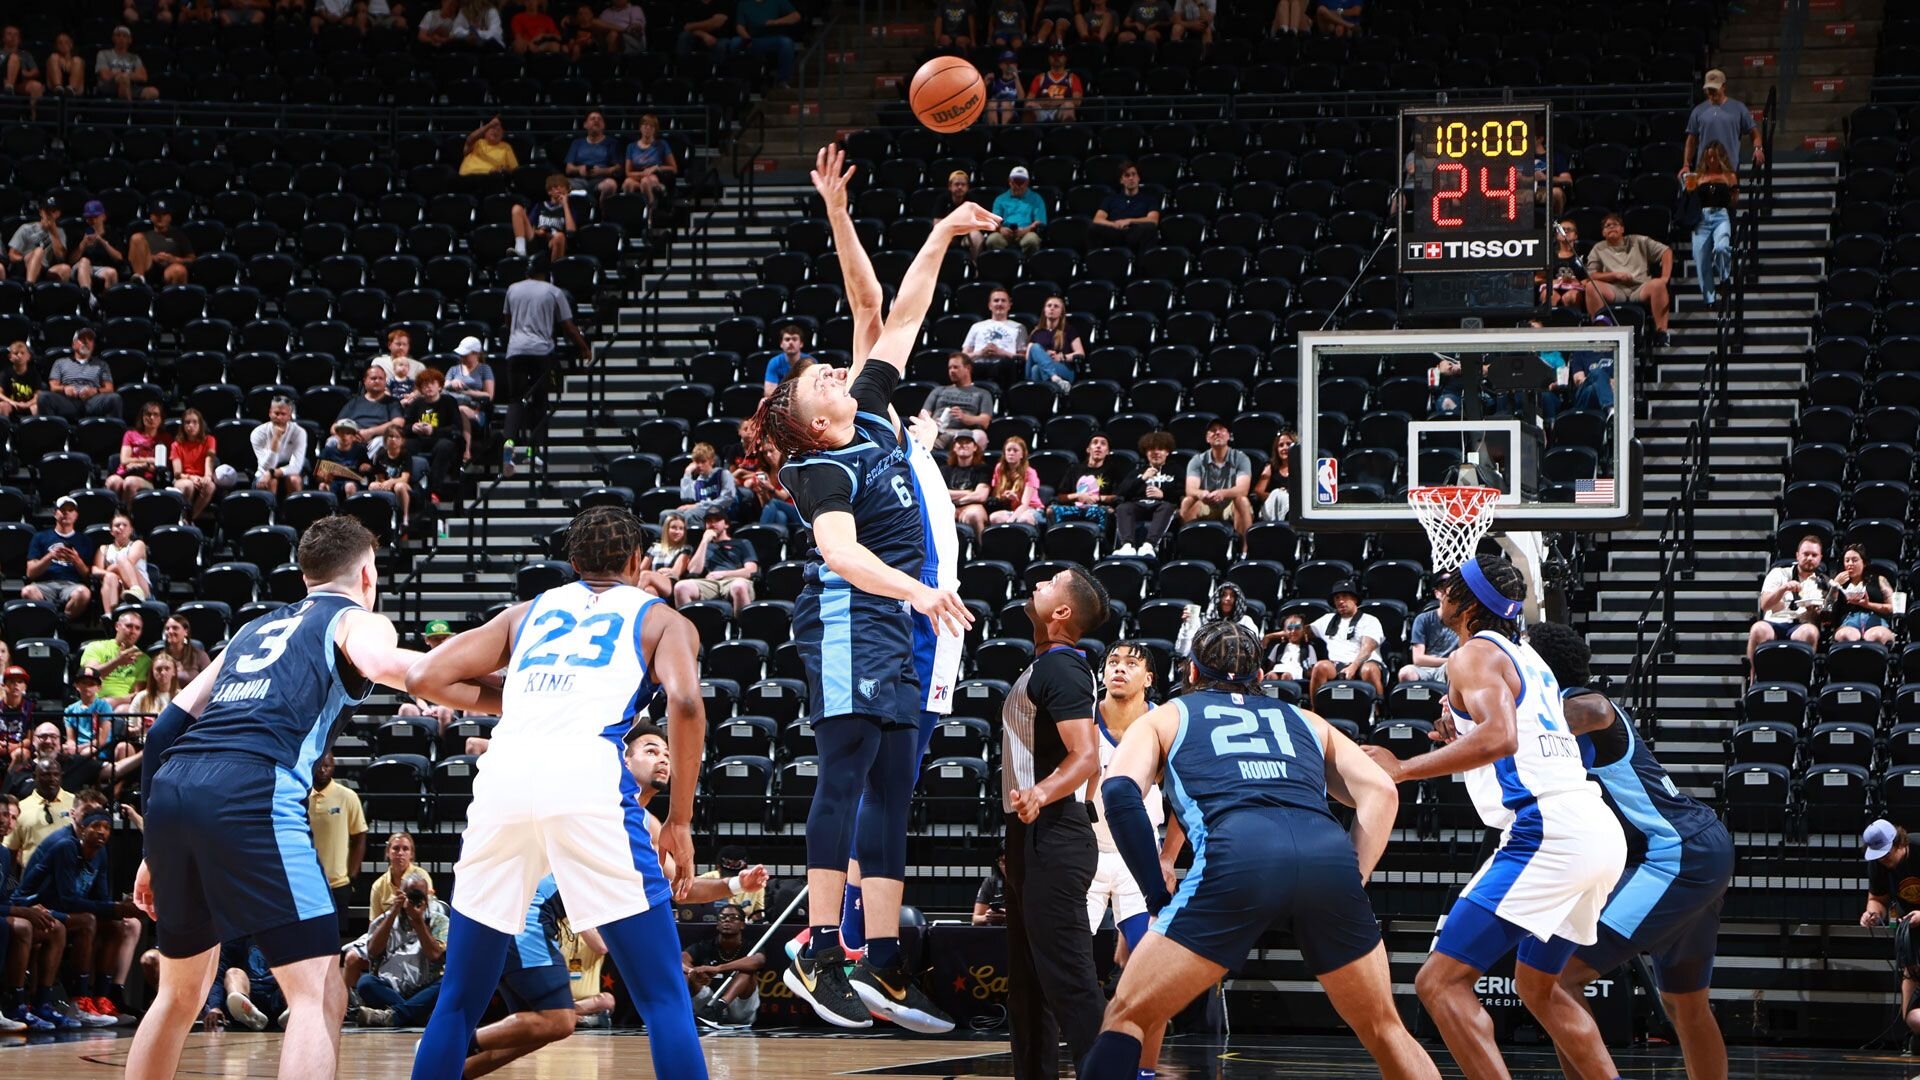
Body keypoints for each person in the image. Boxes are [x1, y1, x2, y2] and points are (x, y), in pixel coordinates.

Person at [126, 516, 476, 1080]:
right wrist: (503, 688)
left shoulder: (251, 629)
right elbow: (394, 668)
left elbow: (162, 731)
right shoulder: (356, 619)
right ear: (367, 573)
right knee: (317, 992)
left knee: (178, 996)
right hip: (250, 787)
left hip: (173, 788)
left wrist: (151, 851)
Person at [753, 189, 986, 1032]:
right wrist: (921, 588)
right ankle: (820, 950)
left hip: (894, 623)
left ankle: (879, 961)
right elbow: (842, 554)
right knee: (845, 773)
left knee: (892, 782)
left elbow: (902, 313)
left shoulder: (877, 421)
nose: (835, 367)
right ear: (817, 421)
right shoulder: (821, 470)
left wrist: (941, 230)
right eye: (821, 378)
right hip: (852, 616)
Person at [404, 505, 709, 1080]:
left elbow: (425, 678)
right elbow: (687, 704)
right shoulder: (663, 620)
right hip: (586, 775)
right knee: (664, 998)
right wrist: (682, 820)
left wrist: (518, 698)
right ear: (639, 563)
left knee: (459, 1001)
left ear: (571, 563)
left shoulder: (525, 613)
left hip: (504, 778)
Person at [1080, 622, 1436, 1080]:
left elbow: (1121, 795)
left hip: (1239, 853)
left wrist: (1154, 893)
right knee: (1385, 1027)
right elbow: (1383, 792)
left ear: (1191, 671)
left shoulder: (1166, 715)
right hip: (1325, 854)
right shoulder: (1307, 719)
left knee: (1127, 1014)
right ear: (1262, 675)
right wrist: (1355, 876)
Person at [1357, 556, 1627, 1080]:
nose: (1440, 597)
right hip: (1593, 827)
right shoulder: (1526, 656)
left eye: (1448, 590)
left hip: (1548, 830)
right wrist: (1463, 738)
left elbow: (1502, 736)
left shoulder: (1471, 655)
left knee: (1438, 983)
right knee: (1538, 986)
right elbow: (1518, 738)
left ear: (1467, 603)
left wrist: (1403, 769)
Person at [1525, 622, 1734, 1080]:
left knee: (1555, 979)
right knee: (1684, 1004)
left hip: (1673, 852)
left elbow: (1597, 709)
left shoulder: (1578, 706)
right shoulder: (1544, 722)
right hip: (1695, 850)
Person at [1001, 567, 1109, 1078]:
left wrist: (1040, 793)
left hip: (1056, 830)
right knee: (1026, 984)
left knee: (1069, 980)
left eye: (1050, 583)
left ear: (1062, 613)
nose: (1037, 582)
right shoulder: (1043, 665)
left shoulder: (1063, 668)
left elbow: (1085, 756)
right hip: (1029, 836)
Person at [1085, 641, 1183, 1074]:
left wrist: (1166, 859)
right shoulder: (1081, 717)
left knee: (1152, 972)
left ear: (1149, 679)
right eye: (1112, 662)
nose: (1119, 669)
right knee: (1057, 967)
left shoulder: (1164, 724)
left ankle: (1144, 1071)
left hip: (1135, 863)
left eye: (1131, 663)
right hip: (1082, 857)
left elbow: (1183, 803)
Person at [11, 807, 144, 1025]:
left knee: (117, 925)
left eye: (107, 827)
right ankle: (78, 1001)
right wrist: (114, 908)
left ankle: (101, 998)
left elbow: (101, 897)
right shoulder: (66, 848)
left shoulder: (100, 854)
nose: (102, 832)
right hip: (37, 905)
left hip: (66, 910)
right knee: (88, 921)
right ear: (82, 829)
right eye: (95, 826)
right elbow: (67, 900)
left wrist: (120, 908)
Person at [500, 254, 591, 454]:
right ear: (546, 272)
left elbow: (507, 322)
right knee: (540, 401)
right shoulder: (553, 292)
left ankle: (508, 445)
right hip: (541, 351)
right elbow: (568, 326)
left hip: (515, 350)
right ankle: (536, 451)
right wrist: (584, 347)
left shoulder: (512, 289)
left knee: (516, 400)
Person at [3, 791, 75, 1032]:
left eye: (14, 818)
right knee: (22, 926)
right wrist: (20, 910)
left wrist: (28, 905)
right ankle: (13, 1003)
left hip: (5, 912)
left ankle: (42, 1003)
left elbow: (11, 894)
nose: (8, 823)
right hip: (4, 917)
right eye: (4, 815)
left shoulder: (4, 855)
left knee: (55, 927)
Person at [348, 868, 448, 1027]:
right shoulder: (386, 919)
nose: (415, 900)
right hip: (391, 988)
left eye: (419, 895)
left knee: (447, 982)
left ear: (428, 897)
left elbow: (435, 955)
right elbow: (373, 951)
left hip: (424, 987)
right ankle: (416, 1013)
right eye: (410, 895)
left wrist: (418, 922)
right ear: (400, 895)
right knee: (365, 983)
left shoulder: (439, 921)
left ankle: (394, 1016)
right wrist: (393, 912)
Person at [1862, 819, 1920, 1045]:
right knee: (1912, 1016)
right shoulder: (1878, 862)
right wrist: (1872, 913)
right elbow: (1877, 898)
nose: (1884, 861)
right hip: (1911, 929)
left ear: (1899, 843)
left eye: (1886, 854)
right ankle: (1912, 1031)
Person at [1584, 213, 1673, 347]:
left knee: (1658, 284)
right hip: (1614, 289)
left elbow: (1666, 252)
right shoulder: (1598, 248)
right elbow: (1592, 274)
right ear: (1603, 232)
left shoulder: (1638, 241)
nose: (1611, 227)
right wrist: (1614, 276)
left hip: (1640, 287)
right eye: (1607, 226)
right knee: (1591, 287)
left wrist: (1665, 277)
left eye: (1615, 224)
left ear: (1622, 229)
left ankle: (1662, 333)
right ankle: (1600, 333)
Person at [1745, 534, 1826, 672]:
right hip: (1774, 622)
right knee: (1757, 629)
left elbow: (1823, 619)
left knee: (1811, 632)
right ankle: (1752, 677)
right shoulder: (1778, 573)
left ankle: (1804, 677)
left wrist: (1816, 614)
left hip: (1800, 625)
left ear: (1820, 558)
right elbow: (1765, 605)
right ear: (1797, 555)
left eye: (1814, 555)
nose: (1809, 558)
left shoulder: (1823, 582)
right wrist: (1783, 588)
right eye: (1806, 554)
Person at [307, 752, 367, 930]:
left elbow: (359, 837)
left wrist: (352, 876)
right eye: (320, 766)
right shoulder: (299, 798)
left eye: (328, 766)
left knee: (335, 939)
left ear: (333, 767)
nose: (323, 770)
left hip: (337, 884)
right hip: (306, 882)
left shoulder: (347, 796)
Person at [686, 903, 767, 1028]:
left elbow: (759, 961)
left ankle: (719, 1006)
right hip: (707, 1003)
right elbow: (681, 959)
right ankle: (673, 1013)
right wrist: (693, 972)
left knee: (746, 972)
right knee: (686, 973)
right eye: (723, 917)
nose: (727, 920)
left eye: (733, 917)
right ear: (717, 924)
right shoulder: (705, 945)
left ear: (742, 924)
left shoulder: (750, 946)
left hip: (738, 1008)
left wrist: (718, 968)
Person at [24, 495, 99, 619]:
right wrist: (50, 557)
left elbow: (87, 576)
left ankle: (64, 619)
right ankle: (50, 617)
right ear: (55, 513)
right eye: (62, 510)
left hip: (72, 584)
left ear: (76, 515)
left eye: (70, 510)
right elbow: (30, 573)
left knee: (84, 593)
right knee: (27, 591)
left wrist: (76, 560)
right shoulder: (40, 537)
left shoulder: (85, 540)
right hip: (44, 583)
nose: (66, 513)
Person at [1309, 582, 1386, 701]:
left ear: (1354, 599)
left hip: (1365, 663)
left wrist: (1353, 667)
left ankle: (1379, 710)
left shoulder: (1369, 620)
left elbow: (1367, 649)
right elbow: (1299, 632)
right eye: (1337, 598)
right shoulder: (1327, 619)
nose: (1340, 601)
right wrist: (1271, 636)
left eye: (1345, 596)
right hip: (1336, 664)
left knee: (1369, 670)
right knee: (1320, 666)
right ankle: (1315, 711)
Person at [672, 510, 758, 614]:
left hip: (735, 580)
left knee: (738, 586)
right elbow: (694, 571)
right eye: (709, 521)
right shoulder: (703, 546)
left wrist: (723, 574)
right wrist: (704, 541)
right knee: (680, 587)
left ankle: (741, 628)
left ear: (726, 524)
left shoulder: (742, 543)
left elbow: (751, 570)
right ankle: (689, 628)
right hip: (711, 583)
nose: (712, 524)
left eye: (717, 520)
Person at [1179, 419, 1252, 539]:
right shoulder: (1197, 460)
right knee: (1187, 501)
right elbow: (1190, 489)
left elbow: (1242, 489)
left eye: (1221, 430)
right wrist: (1201, 493)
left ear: (1229, 436)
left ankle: (1245, 551)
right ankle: (1189, 546)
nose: (1217, 433)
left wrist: (1223, 493)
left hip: (1230, 504)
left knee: (1242, 500)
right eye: (1212, 431)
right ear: (1207, 438)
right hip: (1206, 504)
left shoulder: (1241, 458)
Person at [1684, 68, 1764, 175]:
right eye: (1709, 89)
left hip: (1729, 169)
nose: (1711, 92)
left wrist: (1758, 148)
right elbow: (1691, 140)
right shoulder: (1698, 111)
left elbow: (1754, 132)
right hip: (1704, 169)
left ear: (1723, 87)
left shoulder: (1738, 108)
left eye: (1714, 88)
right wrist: (1686, 164)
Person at [405, 368, 468, 500]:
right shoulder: (416, 404)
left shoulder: (449, 401)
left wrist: (433, 430)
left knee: (445, 446)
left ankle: (433, 490)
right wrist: (413, 428)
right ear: (420, 389)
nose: (428, 387)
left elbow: (456, 428)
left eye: (432, 383)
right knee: (406, 445)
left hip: (441, 439)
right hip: (420, 440)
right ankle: (407, 485)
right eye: (424, 384)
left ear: (440, 386)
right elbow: (404, 427)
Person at [1114, 431, 1178, 557]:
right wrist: (1142, 478)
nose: (1156, 452)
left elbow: (1182, 492)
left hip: (1162, 505)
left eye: (1160, 449)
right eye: (1151, 449)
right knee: (1123, 507)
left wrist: (1163, 494)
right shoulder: (1138, 471)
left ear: (1167, 452)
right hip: (1139, 505)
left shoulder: (1175, 470)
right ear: (1146, 453)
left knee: (1167, 507)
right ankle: (1127, 545)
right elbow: (1121, 492)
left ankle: (1149, 545)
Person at [42, 327, 125, 421]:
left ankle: (112, 433)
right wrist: (64, 389)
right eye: (82, 339)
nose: (86, 342)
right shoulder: (60, 362)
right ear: (73, 344)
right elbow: (53, 387)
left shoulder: (101, 365)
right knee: (44, 397)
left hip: (92, 401)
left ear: (93, 345)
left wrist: (95, 391)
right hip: (68, 401)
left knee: (115, 398)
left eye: (90, 340)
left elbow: (109, 388)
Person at [918, 351, 994, 450]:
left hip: (964, 435)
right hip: (938, 433)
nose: (952, 371)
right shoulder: (939, 390)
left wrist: (965, 418)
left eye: (956, 367)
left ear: (968, 368)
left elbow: (985, 421)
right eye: (950, 368)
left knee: (981, 436)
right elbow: (923, 415)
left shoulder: (982, 393)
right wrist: (932, 423)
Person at [207, 936, 285, 1031]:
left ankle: (294, 1011)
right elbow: (218, 976)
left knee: (297, 972)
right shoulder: (234, 938)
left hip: (279, 998)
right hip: (247, 1000)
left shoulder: (286, 936)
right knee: (233, 972)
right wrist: (215, 1006)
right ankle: (248, 1013)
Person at [1050, 434, 1123, 533]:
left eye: (1103, 444)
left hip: (1098, 509)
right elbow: (1060, 497)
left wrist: (1098, 498)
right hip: (1075, 509)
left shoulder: (1112, 471)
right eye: (1095, 442)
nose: (1098, 446)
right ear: (1088, 449)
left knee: (1108, 512)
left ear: (1107, 452)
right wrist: (1078, 496)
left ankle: (1102, 544)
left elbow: (1117, 497)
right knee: (1051, 510)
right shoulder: (1074, 470)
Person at [1829, 542, 1896, 646]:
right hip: (1849, 621)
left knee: (1876, 635)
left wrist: (1868, 605)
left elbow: (1892, 607)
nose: (1850, 564)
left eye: (1855, 560)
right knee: (1846, 635)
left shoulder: (1879, 580)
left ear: (1864, 563)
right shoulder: (1838, 583)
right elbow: (1828, 607)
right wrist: (1835, 585)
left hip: (1876, 620)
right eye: (1847, 561)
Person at [963, 287, 1029, 386]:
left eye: (1003, 301)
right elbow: (963, 356)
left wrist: (1001, 352)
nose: (999, 304)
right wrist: (980, 352)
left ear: (1009, 305)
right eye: (996, 301)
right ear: (990, 305)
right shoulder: (976, 326)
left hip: (1005, 367)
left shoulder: (1018, 327)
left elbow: (1023, 357)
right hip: (977, 366)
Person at [107, 401, 166, 509]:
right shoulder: (130, 434)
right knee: (113, 481)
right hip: (125, 472)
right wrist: (148, 460)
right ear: (142, 417)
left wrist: (138, 464)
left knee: (130, 482)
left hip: (148, 479)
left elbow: (159, 466)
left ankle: (126, 516)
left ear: (161, 418)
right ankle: (111, 516)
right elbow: (124, 460)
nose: (151, 417)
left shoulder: (165, 439)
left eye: (155, 414)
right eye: (148, 414)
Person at [1090, 162, 1162, 251]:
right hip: (1115, 232)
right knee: (1093, 228)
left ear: (1138, 178)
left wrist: (1129, 221)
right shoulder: (1111, 199)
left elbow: (1153, 220)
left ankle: (1143, 263)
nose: (1131, 178)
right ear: (1121, 180)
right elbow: (1097, 219)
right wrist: (1113, 224)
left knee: (1150, 229)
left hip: (1135, 232)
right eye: (1127, 175)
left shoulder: (1149, 199)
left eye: (1134, 174)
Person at [1398, 584, 1457, 684]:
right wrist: (1448, 661)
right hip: (1425, 668)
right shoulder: (1423, 619)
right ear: (1437, 593)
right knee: (1405, 673)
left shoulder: (1462, 620)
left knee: (1456, 671)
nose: (1448, 594)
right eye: (1444, 590)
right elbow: (1418, 659)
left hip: (1450, 668)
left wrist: (1451, 663)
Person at [94, 511, 152, 610]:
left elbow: (127, 565)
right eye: (117, 525)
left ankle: (136, 590)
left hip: (141, 586)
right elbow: (95, 570)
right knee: (109, 578)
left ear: (131, 530)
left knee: (121, 559)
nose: (121, 527)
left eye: (125, 525)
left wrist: (110, 568)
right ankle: (110, 614)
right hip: (116, 586)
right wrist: (112, 574)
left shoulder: (138, 544)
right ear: (111, 531)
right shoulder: (104, 548)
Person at [251, 396, 307, 497]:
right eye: (276, 413)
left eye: (283, 414)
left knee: (294, 480)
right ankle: (271, 511)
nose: (279, 417)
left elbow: (296, 466)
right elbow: (267, 466)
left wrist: (272, 473)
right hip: (264, 473)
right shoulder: (258, 433)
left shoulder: (299, 432)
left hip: (287, 472)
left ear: (289, 416)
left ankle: (294, 511)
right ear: (270, 413)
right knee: (271, 482)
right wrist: (276, 439)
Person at [735, 0, 801, 86]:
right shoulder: (744, 3)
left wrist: (775, 22)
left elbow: (796, 16)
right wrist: (747, 39)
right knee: (734, 42)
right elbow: (739, 26)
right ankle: (736, 83)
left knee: (786, 42)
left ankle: (783, 80)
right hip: (752, 39)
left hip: (773, 39)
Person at [511, 174, 575, 262]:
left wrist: (565, 205)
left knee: (559, 236)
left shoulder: (569, 209)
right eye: (556, 187)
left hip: (554, 242)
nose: (559, 190)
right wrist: (538, 231)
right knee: (517, 208)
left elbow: (571, 233)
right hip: (537, 239)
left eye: (563, 187)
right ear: (549, 191)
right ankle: (520, 250)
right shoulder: (540, 206)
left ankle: (554, 272)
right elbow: (529, 226)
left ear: (567, 191)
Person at [8, 198, 73, 285]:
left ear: (58, 214)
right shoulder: (26, 228)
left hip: (44, 268)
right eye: (47, 211)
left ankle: (56, 296)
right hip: (24, 266)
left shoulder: (60, 232)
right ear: (40, 212)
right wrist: (26, 258)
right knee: (39, 251)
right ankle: (29, 286)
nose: (49, 214)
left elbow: (61, 258)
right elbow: (12, 255)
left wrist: (53, 232)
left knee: (66, 269)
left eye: (53, 211)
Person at [1026, 295, 1084, 391]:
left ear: (1061, 312)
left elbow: (1080, 353)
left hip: (1063, 368)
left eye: (1056, 306)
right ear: (1044, 310)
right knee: (1035, 348)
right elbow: (1029, 357)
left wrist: (1061, 357)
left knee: (1036, 369)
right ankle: (1054, 378)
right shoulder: (1036, 332)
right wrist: (1044, 356)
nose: (1052, 308)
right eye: (1049, 306)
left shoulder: (1069, 330)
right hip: (1038, 368)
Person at [169, 407, 217, 520]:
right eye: (187, 422)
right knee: (188, 485)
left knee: (210, 486)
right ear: (183, 426)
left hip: (201, 477)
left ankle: (189, 519)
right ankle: (182, 516)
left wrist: (207, 477)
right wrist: (191, 478)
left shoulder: (209, 440)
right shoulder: (176, 445)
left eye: (195, 422)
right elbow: (177, 473)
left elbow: (209, 460)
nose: (191, 425)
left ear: (200, 424)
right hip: (183, 478)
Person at [621, 113, 678, 208]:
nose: (648, 128)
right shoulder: (631, 147)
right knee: (627, 183)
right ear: (640, 127)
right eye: (645, 125)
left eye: (651, 126)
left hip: (654, 178)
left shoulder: (662, 145)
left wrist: (656, 168)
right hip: (637, 177)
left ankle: (650, 210)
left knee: (645, 182)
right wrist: (642, 174)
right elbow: (628, 172)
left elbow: (674, 168)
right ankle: (631, 212)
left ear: (655, 129)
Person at [942, 435, 991, 542]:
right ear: (954, 447)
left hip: (972, 507)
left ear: (975, 447)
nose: (963, 445)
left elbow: (981, 496)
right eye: (959, 443)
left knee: (974, 514)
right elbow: (941, 494)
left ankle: (981, 551)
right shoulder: (945, 470)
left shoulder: (982, 469)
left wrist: (955, 498)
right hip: (949, 507)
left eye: (967, 442)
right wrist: (969, 492)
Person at [339, 365, 407, 444]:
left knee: (382, 442)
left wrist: (370, 432)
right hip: (351, 439)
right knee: (332, 441)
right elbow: (334, 427)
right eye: (373, 378)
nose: (377, 381)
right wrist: (351, 436)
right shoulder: (354, 402)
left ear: (385, 381)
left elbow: (398, 423)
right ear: (365, 381)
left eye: (381, 378)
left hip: (378, 439)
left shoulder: (393, 402)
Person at [989, 166, 1048, 255]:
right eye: (1015, 182)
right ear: (1010, 181)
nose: (1018, 185)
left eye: (1021, 182)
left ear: (1027, 182)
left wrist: (1026, 230)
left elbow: (1039, 222)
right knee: (992, 240)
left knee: (1032, 240)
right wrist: (1001, 229)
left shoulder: (1036, 198)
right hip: (1005, 233)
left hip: (1027, 232)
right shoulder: (1000, 199)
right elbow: (994, 221)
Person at [988, 434, 1045, 526]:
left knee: (1023, 519)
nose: (1011, 453)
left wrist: (1010, 521)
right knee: (994, 518)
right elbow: (997, 494)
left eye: (1015, 450)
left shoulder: (1030, 472)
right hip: (1013, 509)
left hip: (1032, 509)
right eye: (1008, 450)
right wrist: (1006, 497)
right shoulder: (999, 468)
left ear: (1022, 454)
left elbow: (1025, 504)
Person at [563, 111, 621, 202]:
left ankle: (602, 214)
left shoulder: (611, 143)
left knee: (610, 185)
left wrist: (602, 171)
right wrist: (579, 169)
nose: (596, 121)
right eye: (592, 119)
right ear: (585, 125)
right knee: (558, 184)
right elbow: (568, 168)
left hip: (601, 179)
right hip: (579, 180)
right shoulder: (577, 143)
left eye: (599, 119)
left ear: (603, 125)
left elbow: (618, 167)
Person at [73, 200, 128, 293]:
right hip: (81, 269)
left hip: (102, 269)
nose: (92, 221)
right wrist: (83, 244)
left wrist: (101, 241)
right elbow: (71, 261)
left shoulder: (112, 234)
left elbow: (119, 258)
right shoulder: (80, 233)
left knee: (111, 273)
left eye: (95, 217)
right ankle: (87, 296)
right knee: (84, 261)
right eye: (89, 218)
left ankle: (107, 304)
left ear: (103, 217)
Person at [677, 442, 739, 523]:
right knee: (667, 515)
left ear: (712, 461)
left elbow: (727, 499)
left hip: (722, 513)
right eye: (697, 462)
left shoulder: (723, 474)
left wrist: (697, 506)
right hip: (702, 513)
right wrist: (687, 473)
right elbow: (686, 499)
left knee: (690, 514)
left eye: (703, 462)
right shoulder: (697, 482)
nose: (700, 465)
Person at [446, 337, 496, 432]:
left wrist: (466, 392)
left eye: (465, 355)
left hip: (475, 409)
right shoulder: (454, 369)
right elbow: (443, 386)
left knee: (461, 410)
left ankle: (466, 445)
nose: (462, 357)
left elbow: (489, 395)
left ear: (476, 354)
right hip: (452, 406)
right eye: (461, 355)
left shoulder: (485, 369)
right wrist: (452, 383)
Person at [94, 25, 158, 100]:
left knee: (153, 92)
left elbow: (143, 77)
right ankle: (128, 110)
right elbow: (105, 75)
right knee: (123, 78)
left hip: (131, 86)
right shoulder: (104, 54)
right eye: (118, 35)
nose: (121, 38)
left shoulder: (134, 58)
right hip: (109, 86)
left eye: (125, 36)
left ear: (130, 40)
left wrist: (122, 74)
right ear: (113, 38)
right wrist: (126, 75)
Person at [640, 511, 693, 599]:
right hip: (652, 582)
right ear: (666, 529)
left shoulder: (686, 549)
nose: (677, 531)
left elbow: (675, 572)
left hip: (671, 584)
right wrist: (659, 573)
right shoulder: (655, 547)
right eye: (673, 528)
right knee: (649, 590)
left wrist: (653, 574)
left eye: (681, 529)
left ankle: (630, 602)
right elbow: (641, 569)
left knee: (646, 575)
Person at [369, 428, 416, 529]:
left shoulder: (405, 455)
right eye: (390, 436)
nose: (393, 439)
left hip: (403, 485)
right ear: (385, 440)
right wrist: (382, 483)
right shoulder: (380, 455)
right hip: (386, 484)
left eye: (396, 437)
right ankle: (377, 517)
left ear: (402, 440)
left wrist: (391, 482)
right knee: (372, 485)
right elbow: (379, 478)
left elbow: (405, 478)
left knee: (399, 487)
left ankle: (405, 516)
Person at [1025, 44, 1082, 123]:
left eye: (1059, 55)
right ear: (1049, 58)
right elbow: (1028, 101)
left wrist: (1057, 102)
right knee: (1030, 106)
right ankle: (1027, 133)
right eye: (1053, 55)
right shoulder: (1040, 77)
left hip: (1059, 112)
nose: (1056, 58)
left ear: (1065, 58)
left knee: (1069, 105)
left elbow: (1077, 101)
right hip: (1042, 111)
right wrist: (1045, 102)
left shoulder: (1072, 78)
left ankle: (1068, 133)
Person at [64, 669, 116, 756]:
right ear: (76, 685)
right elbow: (71, 739)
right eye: (83, 683)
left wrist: (79, 748)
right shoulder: (70, 710)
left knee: (87, 752)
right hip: (78, 749)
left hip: (99, 750)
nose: (87, 687)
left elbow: (102, 740)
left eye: (91, 684)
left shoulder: (104, 707)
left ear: (99, 687)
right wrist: (70, 747)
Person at [1262, 614, 1320, 687]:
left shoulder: (1308, 647)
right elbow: (1271, 665)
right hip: (1279, 668)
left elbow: (1312, 667)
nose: (1293, 631)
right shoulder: (1278, 647)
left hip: (1296, 670)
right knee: (1271, 676)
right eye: (1289, 628)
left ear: (1303, 630)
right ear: (1284, 631)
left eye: (1297, 628)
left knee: (1286, 676)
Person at [759, 324, 816, 397]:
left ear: (801, 344)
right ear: (781, 344)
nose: (791, 342)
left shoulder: (811, 362)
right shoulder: (774, 362)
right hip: (781, 401)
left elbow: (813, 390)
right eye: (787, 339)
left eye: (794, 339)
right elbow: (769, 393)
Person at [944, 170, 990, 260]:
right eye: (957, 184)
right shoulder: (943, 199)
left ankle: (974, 265)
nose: (960, 187)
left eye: (963, 184)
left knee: (976, 236)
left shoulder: (972, 199)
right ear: (950, 186)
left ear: (967, 187)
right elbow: (937, 223)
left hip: (967, 230)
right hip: (950, 231)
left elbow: (977, 223)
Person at [1255, 428, 1296, 522]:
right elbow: (1258, 491)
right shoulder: (1271, 468)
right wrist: (1275, 495)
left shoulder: (1301, 468)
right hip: (1270, 509)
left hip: (1293, 507)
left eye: (1288, 444)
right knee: (1278, 493)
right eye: (1281, 445)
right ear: (1276, 450)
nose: (1285, 448)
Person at [374, 328, 427, 402]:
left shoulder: (419, 366)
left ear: (408, 347)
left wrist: (412, 396)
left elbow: (422, 388)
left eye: (404, 344)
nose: (401, 347)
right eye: (398, 344)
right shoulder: (378, 362)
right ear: (389, 345)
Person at [156, 615, 212, 685]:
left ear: (186, 632)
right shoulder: (160, 658)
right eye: (167, 629)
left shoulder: (200, 656)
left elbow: (210, 682)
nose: (170, 631)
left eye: (175, 628)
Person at [0, 25, 44, 100]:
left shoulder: (26, 54)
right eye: (9, 34)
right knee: (14, 57)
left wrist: (25, 73)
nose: (13, 37)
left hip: (19, 82)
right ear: (3, 38)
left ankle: (33, 111)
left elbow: (35, 71)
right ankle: (8, 89)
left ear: (19, 39)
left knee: (36, 86)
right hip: (1, 80)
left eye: (15, 34)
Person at [972, 851, 1008, 925]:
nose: (1007, 866)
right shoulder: (990, 882)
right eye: (1003, 861)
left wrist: (1010, 917)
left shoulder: (1031, 883)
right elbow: (975, 919)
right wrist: (987, 917)